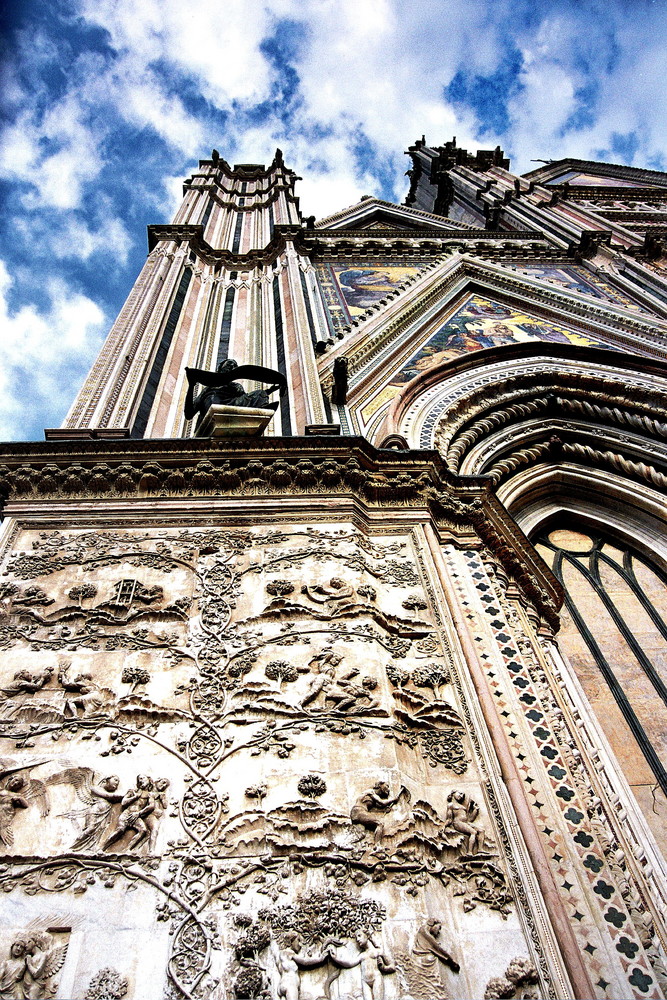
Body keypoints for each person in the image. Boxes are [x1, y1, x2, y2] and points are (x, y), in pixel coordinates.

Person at [184, 359, 284, 424]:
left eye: (234, 366)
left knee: (260, 393)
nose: (232, 367)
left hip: (231, 407)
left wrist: (268, 391)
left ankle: (261, 412)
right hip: (211, 411)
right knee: (212, 399)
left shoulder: (236, 386)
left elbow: (247, 401)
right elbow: (189, 414)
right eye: (229, 365)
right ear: (220, 368)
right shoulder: (207, 389)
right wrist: (191, 386)